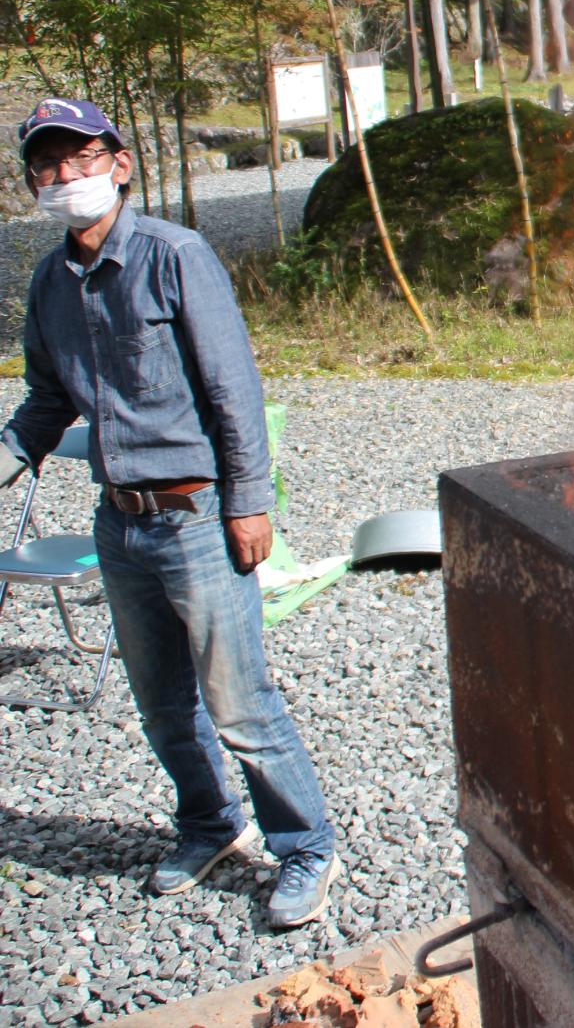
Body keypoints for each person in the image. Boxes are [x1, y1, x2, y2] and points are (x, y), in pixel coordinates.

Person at [1, 98, 340, 929]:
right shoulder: (49, 282)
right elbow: (45, 402)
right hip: (119, 525)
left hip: (196, 518)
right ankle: (211, 823)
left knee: (239, 701)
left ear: (119, 164)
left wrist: (250, 503)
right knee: (161, 703)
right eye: (48, 165)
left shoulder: (173, 255)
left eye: (81, 158)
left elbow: (234, 389)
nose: (65, 177)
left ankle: (305, 846)